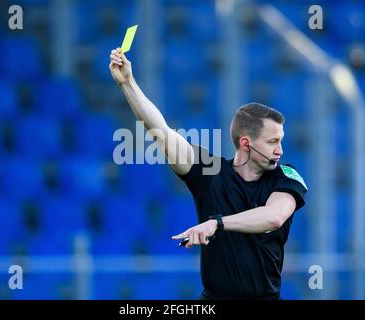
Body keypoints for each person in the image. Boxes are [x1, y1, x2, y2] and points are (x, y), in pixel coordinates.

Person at [109, 47, 308, 300]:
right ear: (246, 143)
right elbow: (160, 130)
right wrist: (128, 83)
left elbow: (274, 217)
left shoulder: (287, 176)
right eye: (272, 142)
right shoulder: (210, 171)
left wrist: (218, 223)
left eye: (281, 141)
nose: (280, 150)